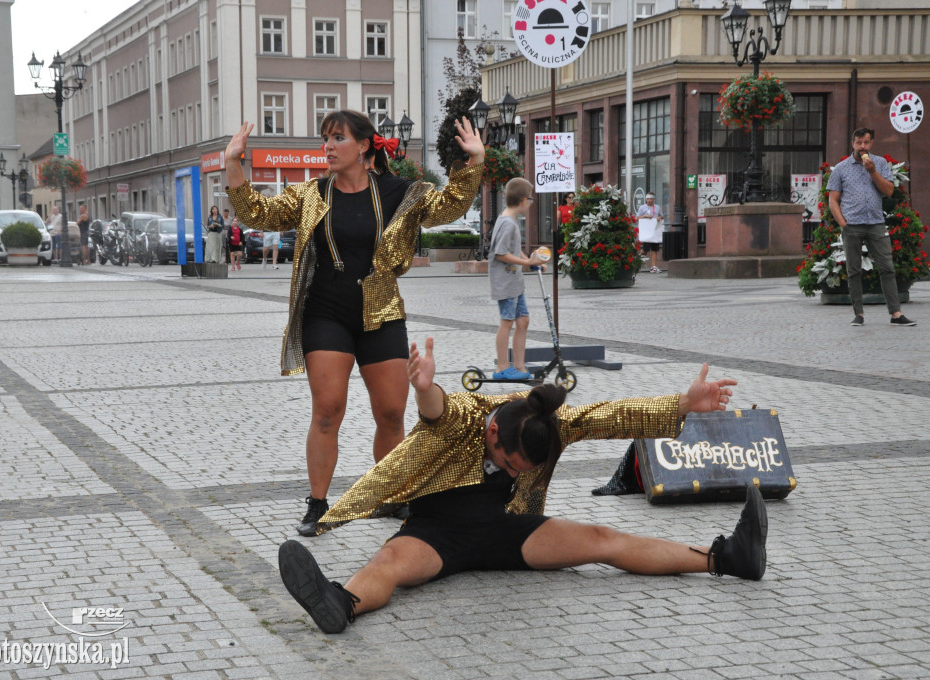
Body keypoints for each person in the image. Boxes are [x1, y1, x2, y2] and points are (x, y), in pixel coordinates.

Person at [277, 337, 766, 635]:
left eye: (522, 469)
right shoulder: (468, 416)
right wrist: (424, 385)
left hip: (509, 530)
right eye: (510, 465)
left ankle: (726, 558)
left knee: (602, 540)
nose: (515, 473)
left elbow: (610, 416)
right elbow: (435, 408)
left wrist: (682, 403)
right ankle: (340, 604)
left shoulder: (547, 424)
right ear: (492, 433)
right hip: (435, 534)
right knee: (387, 563)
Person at [224, 110, 484, 536]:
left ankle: (391, 494)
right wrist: (234, 162)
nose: (327, 147)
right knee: (328, 411)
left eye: (337, 138)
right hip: (326, 313)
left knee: (391, 413)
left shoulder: (398, 191)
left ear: (364, 146)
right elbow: (258, 214)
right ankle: (318, 504)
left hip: (382, 312)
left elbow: (448, 207)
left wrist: (474, 161)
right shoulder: (312, 194)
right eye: (325, 138)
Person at [827, 127, 916, 327]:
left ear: (871, 143)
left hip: (875, 223)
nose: (862, 146)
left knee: (887, 269)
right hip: (852, 225)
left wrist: (873, 171)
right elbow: (833, 200)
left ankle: (896, 314)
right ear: (853, 144)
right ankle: (858, 314)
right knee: (854, 271)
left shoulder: (881, 164)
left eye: (866, 142)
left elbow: (889, 191)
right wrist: (843, 223)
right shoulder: (841, 168)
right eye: (859, 143)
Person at [490, 178, 543, 381]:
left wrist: (530, 259)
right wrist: (526, 263)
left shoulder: (509, 221)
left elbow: (513, 249)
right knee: (507, 322)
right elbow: (501, 253)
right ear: (523, 200)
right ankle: (502, 367)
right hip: (505, 282)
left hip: (514, 282)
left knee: (523, 321)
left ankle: (519, 367)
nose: (531, 203)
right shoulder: (507, 224)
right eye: (530, 199)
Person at [636, 192, 664, 273]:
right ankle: (637, 258)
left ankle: (653, 267)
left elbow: (662, 216)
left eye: (651, 199)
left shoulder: (657, 207)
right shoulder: (642, 207)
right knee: (645, 249)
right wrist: (645, 216)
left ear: (653, 199)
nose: (649, 200)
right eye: (647, 199)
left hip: (655, 230)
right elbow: (637, 217)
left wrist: (659, 217)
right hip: (647, 231)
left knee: (655, 249)